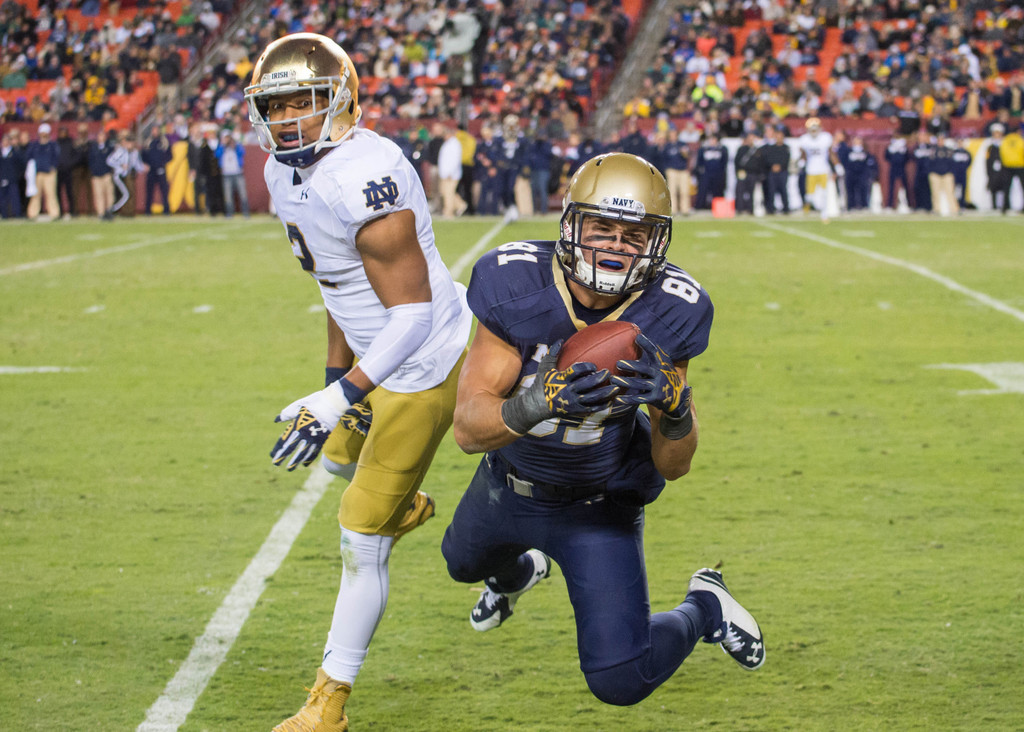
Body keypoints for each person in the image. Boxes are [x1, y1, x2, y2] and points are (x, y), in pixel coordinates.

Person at [441, 152, 765, 707]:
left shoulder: (673, 309)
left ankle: (705, 607)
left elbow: (674, 464)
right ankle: (521, 572)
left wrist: (676, 408)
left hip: (599, 503)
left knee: (620, 679)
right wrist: (537, 401)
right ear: (571, 225)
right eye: (602, 228)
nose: (616, 244)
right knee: (463, 564)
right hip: (509, 482)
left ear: (656, 242)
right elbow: (470, 429)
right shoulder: (514, 281)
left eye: (633, 233)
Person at [244, 32, 472, 732]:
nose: (286, 120)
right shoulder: (287, 172)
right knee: (339, 457)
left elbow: (412, 313)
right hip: (374, 360)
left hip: (421, 361)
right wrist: (332, 377)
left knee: (358, 538)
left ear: (341, 102)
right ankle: (404, 506)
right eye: (274, 106)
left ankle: (330, 704)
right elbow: (336, 286)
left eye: (303, 104)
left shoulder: (362, 175)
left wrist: (343, 394)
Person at [797, 117, 834, 214]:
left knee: (824, 192)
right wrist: (802, 161)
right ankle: (807, 210)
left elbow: (831, 153)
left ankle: (824, 210)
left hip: (823, 169)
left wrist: (836, 166)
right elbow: (803, 153)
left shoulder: (826, 137)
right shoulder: (804, 139)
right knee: (809, 194)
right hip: (811, 169)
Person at [26, 122, 61, 220]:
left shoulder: (52, 145)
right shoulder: (35, 145)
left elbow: (57, 157)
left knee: (51, 194)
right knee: (35, 194)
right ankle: (32, 213)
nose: (43, 134)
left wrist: (53, 166)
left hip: (49, 173)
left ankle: (54, 213)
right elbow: (29, 157)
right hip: (37, 173)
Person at [215, 128, 250, 218]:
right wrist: (223, 145)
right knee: (228, 196)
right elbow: (217, 155)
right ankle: (229, 213)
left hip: (238, 173)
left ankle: (246, 212)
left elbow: (242, 152)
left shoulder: (236, 146)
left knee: (243, 194)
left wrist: (234, 145)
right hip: (226, 174)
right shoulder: (221, 147)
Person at [142, 124, 172, 215]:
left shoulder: (164, 142)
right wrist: (146, 164)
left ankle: (166, 210)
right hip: (151, 170)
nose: (154, 132)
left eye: (156, 130)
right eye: (153, 130)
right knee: (149, 191)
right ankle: (147, 211)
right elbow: (143, 155)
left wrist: (162, 164)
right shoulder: (148, 142)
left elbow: (169, 155)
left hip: (161, 169)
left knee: (164, 191)